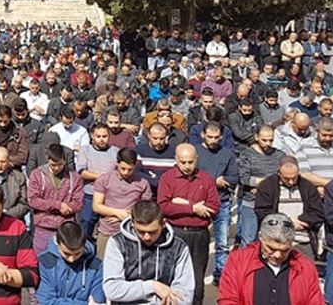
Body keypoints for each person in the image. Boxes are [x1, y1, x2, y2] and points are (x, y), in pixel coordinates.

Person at [157, 143, 219, 305]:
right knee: (171, 276)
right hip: (175, 232)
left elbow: (214, 207)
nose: (187, 166)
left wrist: (182, 203)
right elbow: (164, 206)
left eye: (190, 162)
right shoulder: (167, 178)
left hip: (199, 234)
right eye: (183, 162)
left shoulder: (206, 179)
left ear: (196, 160)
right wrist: (193, 207)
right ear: (176, 160)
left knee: (197, 281)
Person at [218, 213, 324, 305]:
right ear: (261, 237)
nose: (277, 255)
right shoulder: (238, 261)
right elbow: (228, 299)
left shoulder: (305, 268)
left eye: (284, 250)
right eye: (271, 248)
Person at [102, 200, 195, 305]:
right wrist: (153, 287)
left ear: (163, 224)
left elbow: (185, 297)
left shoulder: (179, 248)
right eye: (141, 231)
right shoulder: (117, 243)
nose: (147, 237)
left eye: (153, 232)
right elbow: (112, 289)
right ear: (132, 223)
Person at [254, 156, 324, 261]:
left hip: (303, 241)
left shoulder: (308, 186)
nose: (291, 182)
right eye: (287, 178)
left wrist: (301, 220)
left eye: (294, 178)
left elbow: (318, 213)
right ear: (279, 173)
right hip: (275, 242)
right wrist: (289, 222)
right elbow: (262, 213)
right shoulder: (267, 186)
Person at [195, 121, 239, 283]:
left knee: (222, 243)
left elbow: (235, 177)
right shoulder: (195, 153)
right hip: (199, 203)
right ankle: (196, 274)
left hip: (222, 202)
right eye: (210, 137)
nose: (213, 140)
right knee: (198, 243)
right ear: (202, 135)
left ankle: (220, 275)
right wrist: (214, 181)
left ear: (221, 137)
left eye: (216, 137)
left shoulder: (227, 154)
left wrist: (225, 180)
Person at [91, 148, 152, 257]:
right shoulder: (104, 180)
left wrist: (128, 216)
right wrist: (117, 213)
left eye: (130, 169)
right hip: (107, 231)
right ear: (117, 163)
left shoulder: (143, 183)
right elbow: (96, 206)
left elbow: (145, 210)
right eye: (123, 168)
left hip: (132, 232)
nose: (126, 172)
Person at [28, 143, 85, 257]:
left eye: (60, 164)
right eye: (53, 165)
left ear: (64, 161)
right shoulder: (37, 175)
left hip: (66, 228)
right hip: (43, 227)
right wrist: (58, 206)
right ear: (48, 159)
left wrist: (69, 208)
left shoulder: (74, 177)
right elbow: (33, 200)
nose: (57, 168)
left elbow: (78, 203)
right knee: (41, 261)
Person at [236, 125, 286, 245]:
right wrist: (268, 183)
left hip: (272, 204)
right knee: (249, 240)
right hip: (251, 203)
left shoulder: (280, 155)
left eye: (271, 140)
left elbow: (283, 178)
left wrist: (261, 186)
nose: (268, 143)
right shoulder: (246, 155)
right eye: (264, 140)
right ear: (256, 137)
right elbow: (244, 178)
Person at [36, 221, 105, 305]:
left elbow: (97, 300)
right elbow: (46, 301)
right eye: (66, 254)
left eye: (77, 254)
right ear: (57, 243)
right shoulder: (45, 261)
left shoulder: (96, 265)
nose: (71, 259)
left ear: (84, 246)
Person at [75, 123, 119, 240]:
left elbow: (119, 173)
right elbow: (81, 171)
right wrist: (101, 178)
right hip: (90, 194)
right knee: (86, 223)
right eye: (98, 136)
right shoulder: (85, 150)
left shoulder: (115, 152)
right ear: (92, 136)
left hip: (109, 196)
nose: (101, 139)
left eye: (104, 136)